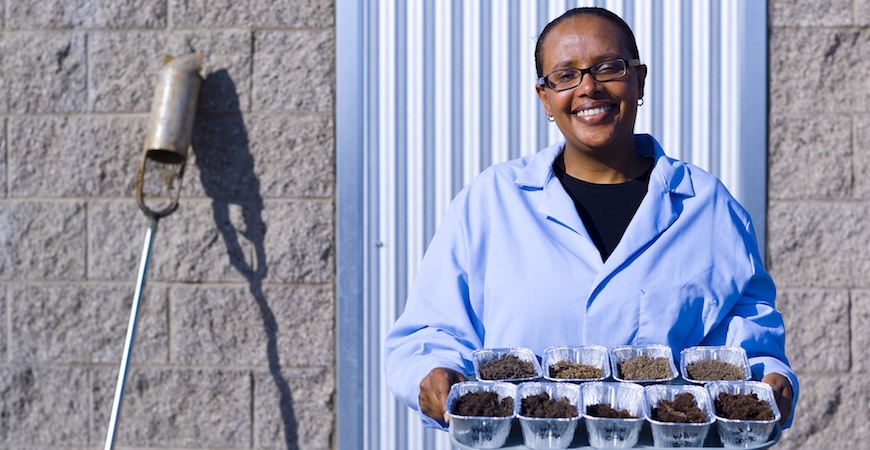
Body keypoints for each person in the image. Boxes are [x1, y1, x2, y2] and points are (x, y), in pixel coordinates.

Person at [383, 7, 797, 431]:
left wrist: (773, 380)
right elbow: (430, 332)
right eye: (565, 75)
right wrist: (432, 373)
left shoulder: (709, 209)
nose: (589, 87)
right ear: (545, 97)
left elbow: (747, 344)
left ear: (639, 80)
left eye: (608, 68)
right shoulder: (490, 202)